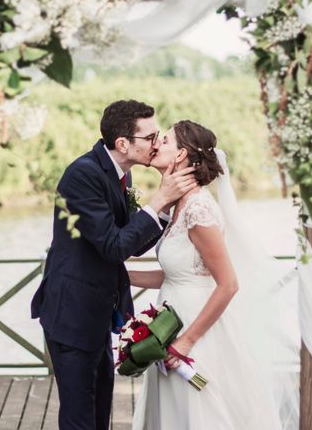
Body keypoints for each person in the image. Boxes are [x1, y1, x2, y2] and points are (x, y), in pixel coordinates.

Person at [30, 100, 197, 430]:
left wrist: (162, 211)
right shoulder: (82, 175)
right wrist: (159, 199)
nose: (157, 142)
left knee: (99, 410)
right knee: (81, 418)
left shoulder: (121, 172)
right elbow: (113, 246)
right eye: (150, 137)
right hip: (72, 315)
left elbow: (131, 243)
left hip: (97, 314)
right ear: (123, 143)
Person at [129, 120, 297, 429]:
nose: (156, 144)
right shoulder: (178, 206)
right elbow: (177, 274)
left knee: (201, 412)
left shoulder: (199, 210)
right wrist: (121, 275)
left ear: (181, 155)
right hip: (169, 322)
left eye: (164, 141)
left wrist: (187, 342)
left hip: (196, 331)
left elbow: (228, 284)